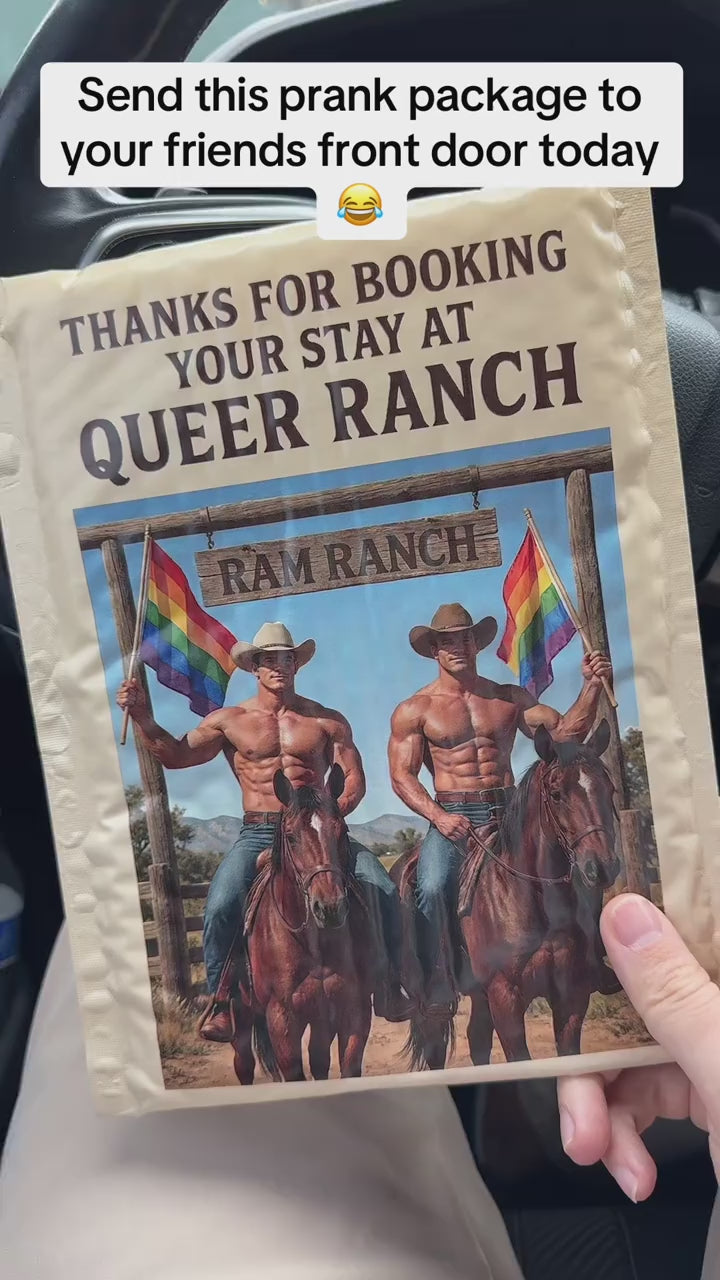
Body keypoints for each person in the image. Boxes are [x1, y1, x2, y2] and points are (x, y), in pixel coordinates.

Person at [117, 621, 409, 1040]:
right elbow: (177, 756)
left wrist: (328, 820)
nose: (278, 666)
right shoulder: (229, 721)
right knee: (221, 903)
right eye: (269, 660)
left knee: (380, 885)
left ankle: (391, 983)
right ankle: (221, 1002)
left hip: (317, 832)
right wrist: (145, 718)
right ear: (254, 667)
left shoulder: (326, 721)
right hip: (259, 830)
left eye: (286, 659)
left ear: (296, 665)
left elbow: (354, 780)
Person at [388, 602, 612, 1009]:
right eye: (447, 641)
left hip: (511, 811)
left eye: (465, 638)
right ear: (434, 650)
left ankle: (593, 957)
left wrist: (591, 686)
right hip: (454, 816)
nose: (458, 647)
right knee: (433, 885)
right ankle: (437, 975)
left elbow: (564, 734)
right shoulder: (415, 709)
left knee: (582, 866)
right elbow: (402, 776)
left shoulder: (509, 698)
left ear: (476, 644)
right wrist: (439, 817)